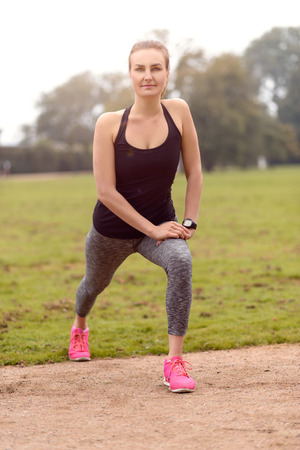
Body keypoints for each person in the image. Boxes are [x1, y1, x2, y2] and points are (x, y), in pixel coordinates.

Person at [68, 40, 203, 393]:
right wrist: (153, 229)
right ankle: (80, 326)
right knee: (93, 285)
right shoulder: (108, 124)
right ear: (129, 74)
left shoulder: (179, 112)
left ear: (167, 73)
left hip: (159, 228)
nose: (148, 76)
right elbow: (106, 193)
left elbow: (195, 171)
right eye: (140, 68)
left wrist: (188, 222)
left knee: (182, 263)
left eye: (155, 68)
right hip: (111, 230)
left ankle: (174, 362)